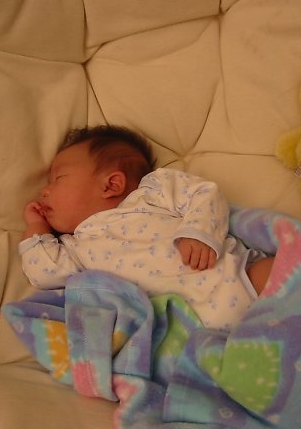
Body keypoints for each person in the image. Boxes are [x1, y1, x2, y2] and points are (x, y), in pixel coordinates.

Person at [20, 125, 274, 330]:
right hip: (189, 329)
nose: (45, 191)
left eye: (58, 178)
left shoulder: (152, 193)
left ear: (111, 185)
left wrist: (199, 233)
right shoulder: (75, 248)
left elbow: (203, 194)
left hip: (238, 279)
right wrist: (36, 226)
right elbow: (44, 272)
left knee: (279, 270)